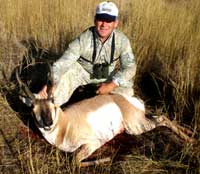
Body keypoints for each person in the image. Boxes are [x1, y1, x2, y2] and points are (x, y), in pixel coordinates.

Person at [39, 1, 137, 106]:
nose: (104, 24)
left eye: (108, 20)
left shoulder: (122, 41)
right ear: (95, 20)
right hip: (82, 73)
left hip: (108, 75)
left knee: (128, 90)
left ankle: (103, 103)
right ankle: (42, 106)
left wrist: (111, 85)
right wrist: (51, 83)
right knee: (54, 92)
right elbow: (62, 63)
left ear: (116, 23)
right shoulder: (83, 39)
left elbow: (130, 67)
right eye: (100, 19)